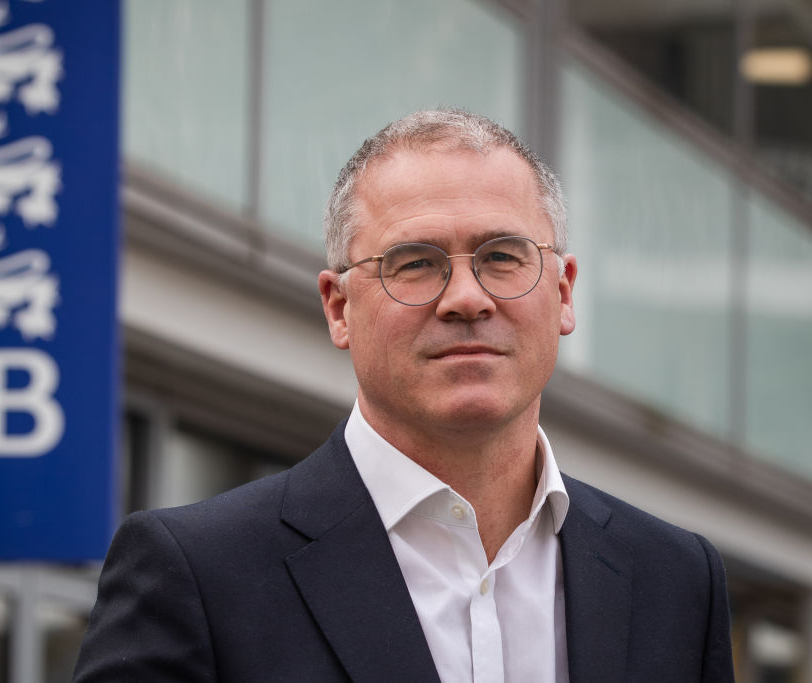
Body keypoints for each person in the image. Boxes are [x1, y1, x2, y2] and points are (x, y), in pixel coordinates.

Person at [72, 109, 734, 682]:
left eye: (504, 256)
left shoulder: (676, 579)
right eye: (415, 263)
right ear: (338, 308)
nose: (468, 299)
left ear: (562, 291)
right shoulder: (199, 573)